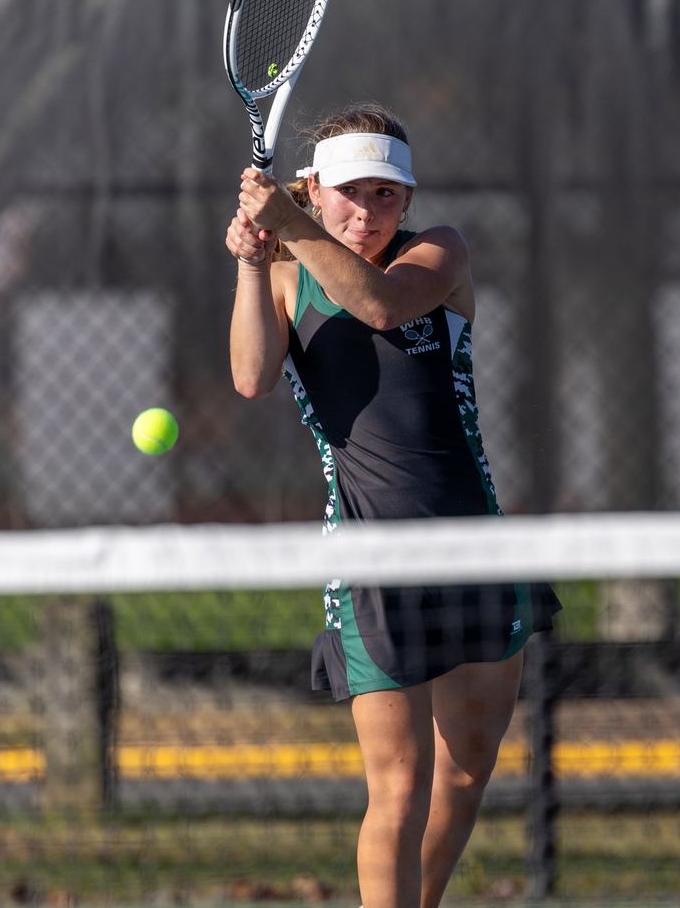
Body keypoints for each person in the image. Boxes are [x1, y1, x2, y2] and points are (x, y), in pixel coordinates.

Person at [226, 105, 560, 908]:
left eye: (386, 194)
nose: (367, 212)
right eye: (348, 193)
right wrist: (252, 255)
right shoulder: (285, 270)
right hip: (369, 561)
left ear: (407, 202)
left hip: (475, 548)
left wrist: (290, 225)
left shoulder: (438, 253)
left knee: (469, 763)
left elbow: (378, 306)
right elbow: (249, 377)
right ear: (313, 189)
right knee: (401, 786)